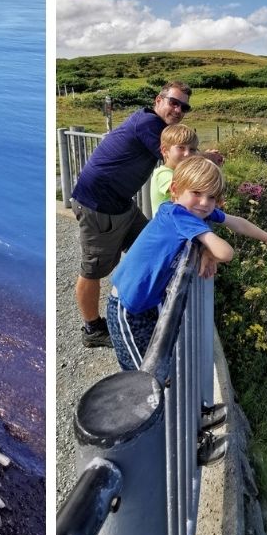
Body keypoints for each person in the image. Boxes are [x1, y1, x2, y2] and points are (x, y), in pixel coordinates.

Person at [106, 155, 267, 372]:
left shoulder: (190, 213)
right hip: (129, 306)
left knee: (156, 363)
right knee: (141, 377)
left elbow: (236, 222)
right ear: (175, 190)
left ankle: (162, 400)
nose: (204, 203)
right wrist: (210, 250)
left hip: (149, 301)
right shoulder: (178, 214)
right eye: (196, 193)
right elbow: (226, 252)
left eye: (211, 197)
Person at [71, 81, 193, 347]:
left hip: (122, 204)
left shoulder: (153, 125)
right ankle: (92, 329)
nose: (178, 109)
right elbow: (177, 161)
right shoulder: (150, 125)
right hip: (98, 204)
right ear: (158, 100)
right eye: (173, 102)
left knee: (150, 246)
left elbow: (181, 154)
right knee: (93, 268)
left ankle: (142, 305)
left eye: (184, 107)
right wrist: (206, 161)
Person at [150, 125, 199, 212]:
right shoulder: (163, 173)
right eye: (181, 148)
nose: (187, 153)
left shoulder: (183, 173)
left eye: (192, 149)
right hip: (168, 225)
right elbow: (184, 191)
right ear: (165, 151)